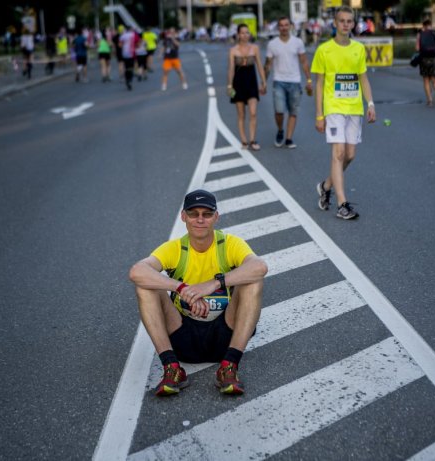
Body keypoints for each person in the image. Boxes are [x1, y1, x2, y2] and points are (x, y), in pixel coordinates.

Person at [128, 189, 268, 396]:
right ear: (184, 216)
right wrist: (181, 288)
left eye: (207, 214)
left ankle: (229, 367)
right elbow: (137, 271)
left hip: (225, 335)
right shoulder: (175, 248)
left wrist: (213, 283)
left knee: (253, 282)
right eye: (193, 214)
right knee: (145, 286)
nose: (200, 219)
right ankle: (172, 368)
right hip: (183, 335)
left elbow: (259, 267)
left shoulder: (229, 244)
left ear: (216, 217)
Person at [312, 6, 376, 220]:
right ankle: (342, 204)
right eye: (342, 21)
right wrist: (319, 114)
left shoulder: (358, 49)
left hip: (354, 108)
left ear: (353, 24)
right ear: (335, 23)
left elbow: (363, 78)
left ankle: (326, 185)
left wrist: (371, 104)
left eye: (349, 21)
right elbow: (319, 84)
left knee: (349, 155)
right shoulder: (324, 50)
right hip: (333, 108)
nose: (346, 24)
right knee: (338, 153)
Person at [264, 17, 312, 149]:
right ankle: (280, 130)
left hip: (295, 81)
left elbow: (304, 62)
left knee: (293, 112)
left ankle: (289, 138)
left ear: (290, 26)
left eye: (286, 25)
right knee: (279, 111)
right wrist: (263, 82)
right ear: (278, 28)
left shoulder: (298, 42)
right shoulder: (272, 44)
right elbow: (267, 65)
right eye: (281, 25)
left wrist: (308, 80)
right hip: (278, 81)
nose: (284, 28)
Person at [227, 24, 267, 151]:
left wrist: (263, 81)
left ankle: (253, 140)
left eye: (247, 32)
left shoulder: (255, 48)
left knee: (253, 112)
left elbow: (260, 65)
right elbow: (231, 69)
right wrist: (229, 85)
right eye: (242, 33)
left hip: (251, 82)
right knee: (241, 114)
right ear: (238, 35)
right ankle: (244, 141)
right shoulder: (233, 50)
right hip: (238, 83)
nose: (245, 35)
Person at [118, 26, 137, 90]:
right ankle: (130, 80)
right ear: (131, 29)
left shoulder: (123, 35)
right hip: (132, 53)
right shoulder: (134, 35)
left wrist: (125, 46)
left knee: (126, 67)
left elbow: (120, 45)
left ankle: (127, 79)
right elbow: (138, 43)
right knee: (131, 67)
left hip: (125, 53)